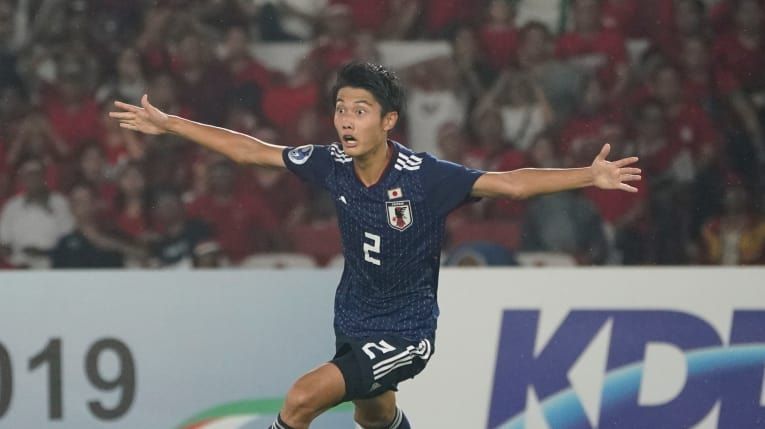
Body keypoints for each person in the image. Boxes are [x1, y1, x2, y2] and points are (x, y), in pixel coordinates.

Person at [110, 62, 641, 429]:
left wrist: (588, 176)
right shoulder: (333, 163)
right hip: (353, 321)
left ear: (388, 121)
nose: (346, 119)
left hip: (406, 333)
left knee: (300, 400)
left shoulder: (425, 177)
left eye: (360, 110)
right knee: (375, 417)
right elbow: (252, 153)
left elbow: (511, 184)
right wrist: (172, 124)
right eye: (341, 108)